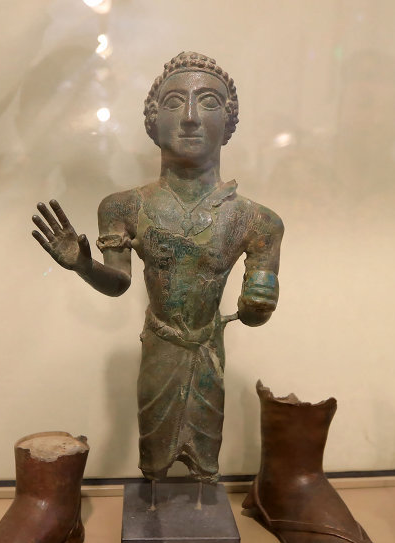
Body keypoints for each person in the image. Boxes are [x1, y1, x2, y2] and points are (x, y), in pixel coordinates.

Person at [32, 51, 282, 483]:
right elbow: (119, 283)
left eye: (208, 102)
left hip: (208, 351)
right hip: (159, 350)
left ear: (228, 123)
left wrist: (258, 305)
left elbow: (258, 309)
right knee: (154, 463)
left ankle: (201, 506)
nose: (190, 117)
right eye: (173, 102)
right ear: (153, 121)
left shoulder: (258, 221)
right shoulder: (123, 206)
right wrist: (83, 265)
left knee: (206, 465)